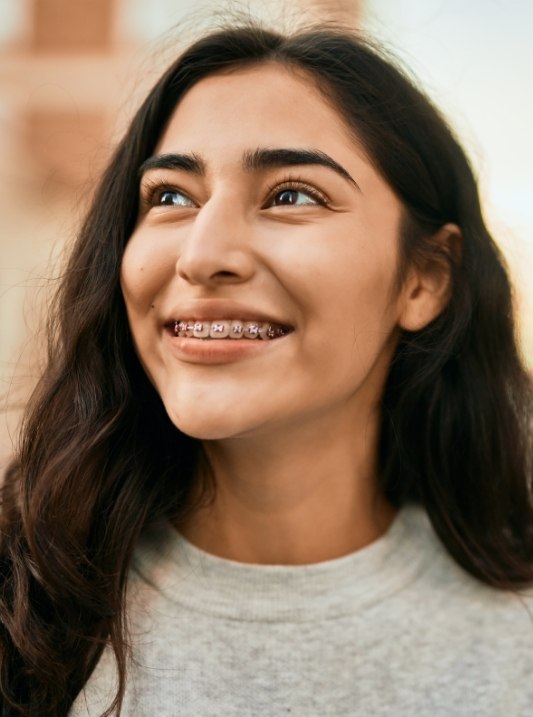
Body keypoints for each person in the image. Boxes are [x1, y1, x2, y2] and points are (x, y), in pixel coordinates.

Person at [1, 20, 532, 717]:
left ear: (423, 279)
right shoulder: (23, 610)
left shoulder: (512, 638)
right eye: (170, 197)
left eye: (291, 195)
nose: (200, 253)